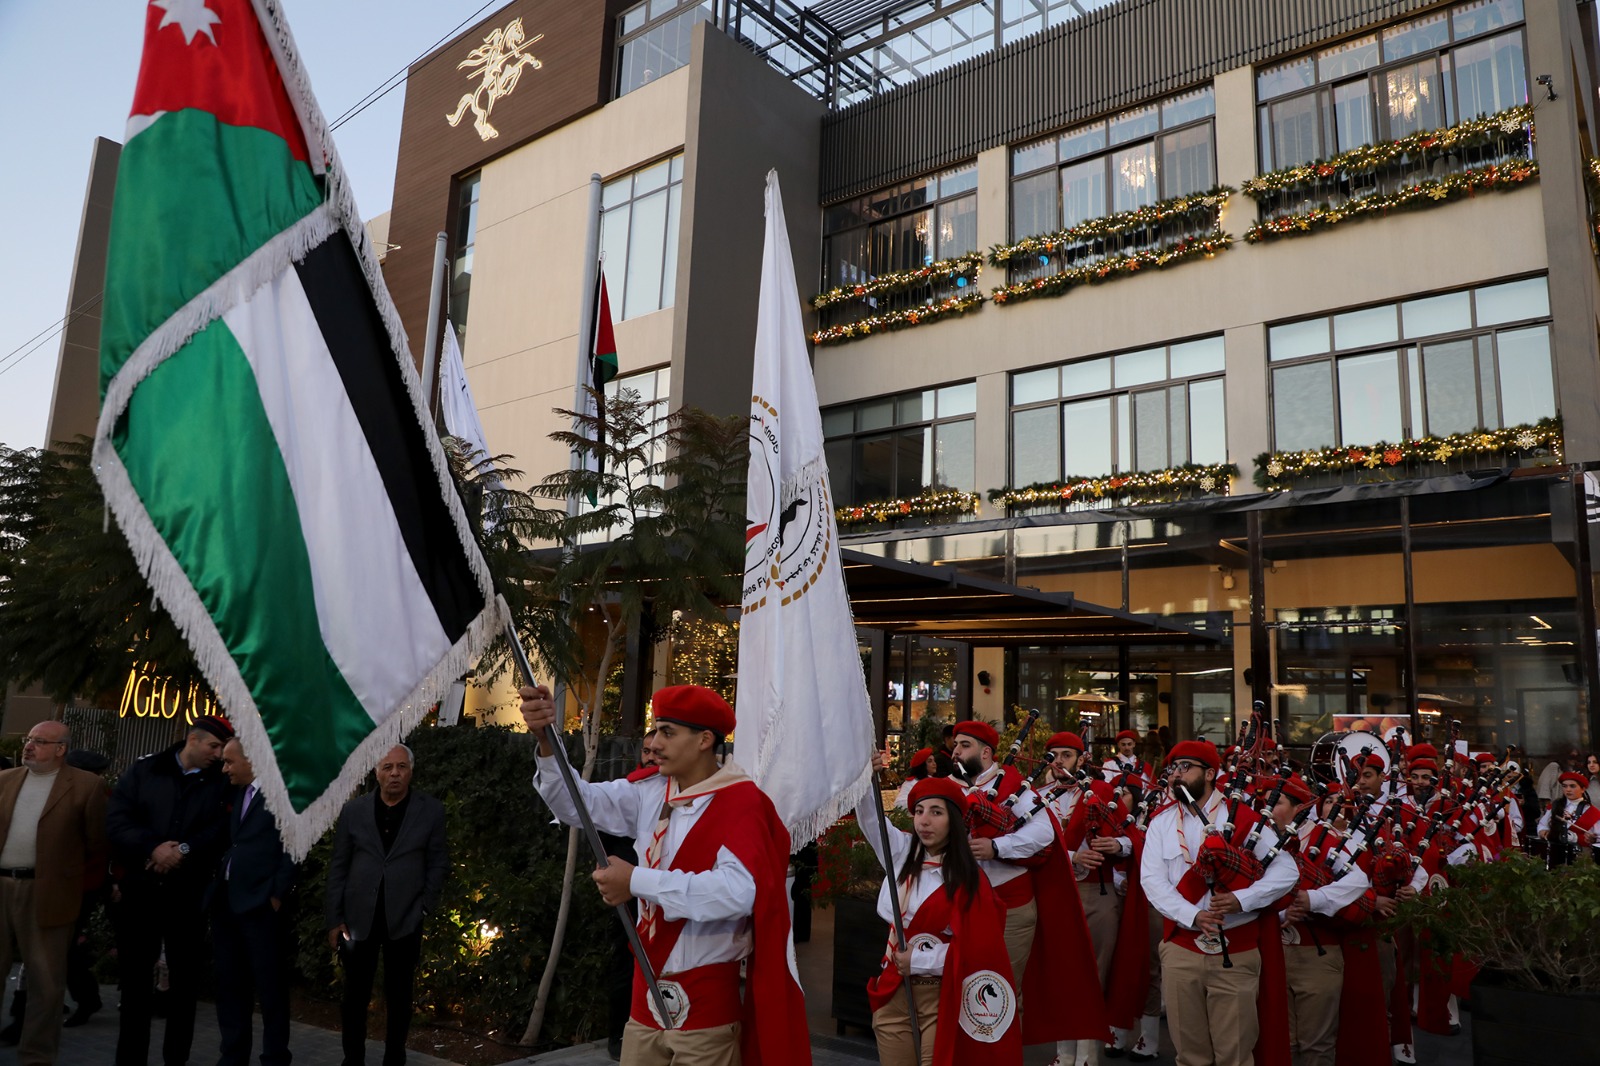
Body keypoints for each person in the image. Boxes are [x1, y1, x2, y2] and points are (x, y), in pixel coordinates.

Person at [520, 683, 810, 1066]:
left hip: (707, 1013)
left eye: (667, 733)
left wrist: (635, 881)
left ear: (705, 739)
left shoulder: (743, 805)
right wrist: (546, 741)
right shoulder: (650, 791)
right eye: (655, 731)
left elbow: (736, 894)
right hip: (644, 1002)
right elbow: (578, 805)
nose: (654, 743)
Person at [1140, 740, 1298, 1066]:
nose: (1176, 775)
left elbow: (1286, 872)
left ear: (1210, 773)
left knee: (1235, 1055)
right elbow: (1152, 882)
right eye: (1174, 768)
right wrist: (1193, 915)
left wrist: (1241, 900)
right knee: (1190, 1055)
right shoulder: (1161, 823)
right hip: (1181, 948)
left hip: (1236, 950)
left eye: (1186, 767)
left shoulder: (1242, 817)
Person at [858, 752, 1020, 1066]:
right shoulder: (902, 853)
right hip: (892, 990)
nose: (925, 820)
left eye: (936, 812)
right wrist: (867, 779)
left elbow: (978, 949)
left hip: (943, 997)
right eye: (919, 811)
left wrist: (919, 960)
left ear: (954, 821)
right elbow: (870, 819)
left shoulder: (970, 879)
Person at [108, 715, 234, 1066]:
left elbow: (222, 829)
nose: (218, 754)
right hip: (141, 891)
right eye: (213, 746)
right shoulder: (144, 770)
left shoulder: (222, 780)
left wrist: (183, 850)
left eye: (223, 749)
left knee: (184, 987)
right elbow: (118, 819)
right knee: (134, 986)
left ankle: (175, 1059)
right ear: (192, 739)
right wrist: (153, 848)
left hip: (187, 894)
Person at [326, 744, 448, 1066]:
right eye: (388, 767)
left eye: (402, 767)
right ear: (376, 771)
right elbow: (339, 865)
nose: (395, 773)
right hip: (357, 919)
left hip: (405, 918)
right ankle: (353, 1059)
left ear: (411, 770)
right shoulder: (354, 811)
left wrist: (424, 906)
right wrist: (334, 918)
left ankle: (395, 1058)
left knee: (399, 997)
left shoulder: (431, 810)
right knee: (354, 997)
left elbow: (438, 862)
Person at [0, 721, 108, 1065]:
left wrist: (65, 875)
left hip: (48, 892)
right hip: (2, 886)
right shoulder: (5, 780)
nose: (29, 746)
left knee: (46, 983)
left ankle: (36, 1056)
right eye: (28, 739)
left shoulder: (87, 787)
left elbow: (96, 842)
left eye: (39, 741)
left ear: (61, 749)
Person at [1041, 732, 1129, 1066]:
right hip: (1056, 895)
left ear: (1081, 759)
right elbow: (1029, 847)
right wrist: (1071, 856)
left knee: (1094, 976)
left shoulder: (1102, 793)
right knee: (1063, 975)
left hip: (1098, 892)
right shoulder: (1036, 797)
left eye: (1067, 755)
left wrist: (1118, 846)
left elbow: (1130, 836)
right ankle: (1064, 1055)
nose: (1059, 762)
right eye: (1054, 756)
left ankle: (1088, 1057)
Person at [211, 738, 295, 1066]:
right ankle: (232, 1056)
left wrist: (275, 894)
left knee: (270, 988)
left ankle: (274, 1057)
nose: (225, 768)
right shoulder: (239, 793)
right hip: (228, 903)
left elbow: (292, 846)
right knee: (230, 984)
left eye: (230, 762)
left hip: (260, 907)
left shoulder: (280, 795)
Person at [1537, 771, 1599, 866]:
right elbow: (1542, 826)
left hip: (1581, 857)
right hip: (1555, 854)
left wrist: (1590, 839)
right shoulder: (1555, 806)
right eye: (1564, 786)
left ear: (1583, 789)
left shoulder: (1592, 812)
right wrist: (1543, 832)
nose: (1568, 790)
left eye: (1572, 786)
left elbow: (1597, 838)